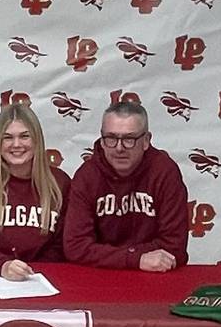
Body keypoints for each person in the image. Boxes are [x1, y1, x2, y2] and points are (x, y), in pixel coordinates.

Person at [64, 101, 189, 272]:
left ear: (146, 141)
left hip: (156, 275)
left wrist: (112, 255)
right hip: (101, 275)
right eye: (111, 138)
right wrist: (136, 259)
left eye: (129, 139)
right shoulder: (87, 176)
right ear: (101, 140)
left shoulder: (165, 172)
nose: (119, 148)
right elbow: (75, 246)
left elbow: (174, 247)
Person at [0, 103, 69, 280]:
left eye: (25, 136)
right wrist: (2, 265)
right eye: (7, 138)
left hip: (43, 279)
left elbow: (63, 243)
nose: (16, 144)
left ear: (37, 140)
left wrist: (35, 272)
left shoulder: (60, 182)